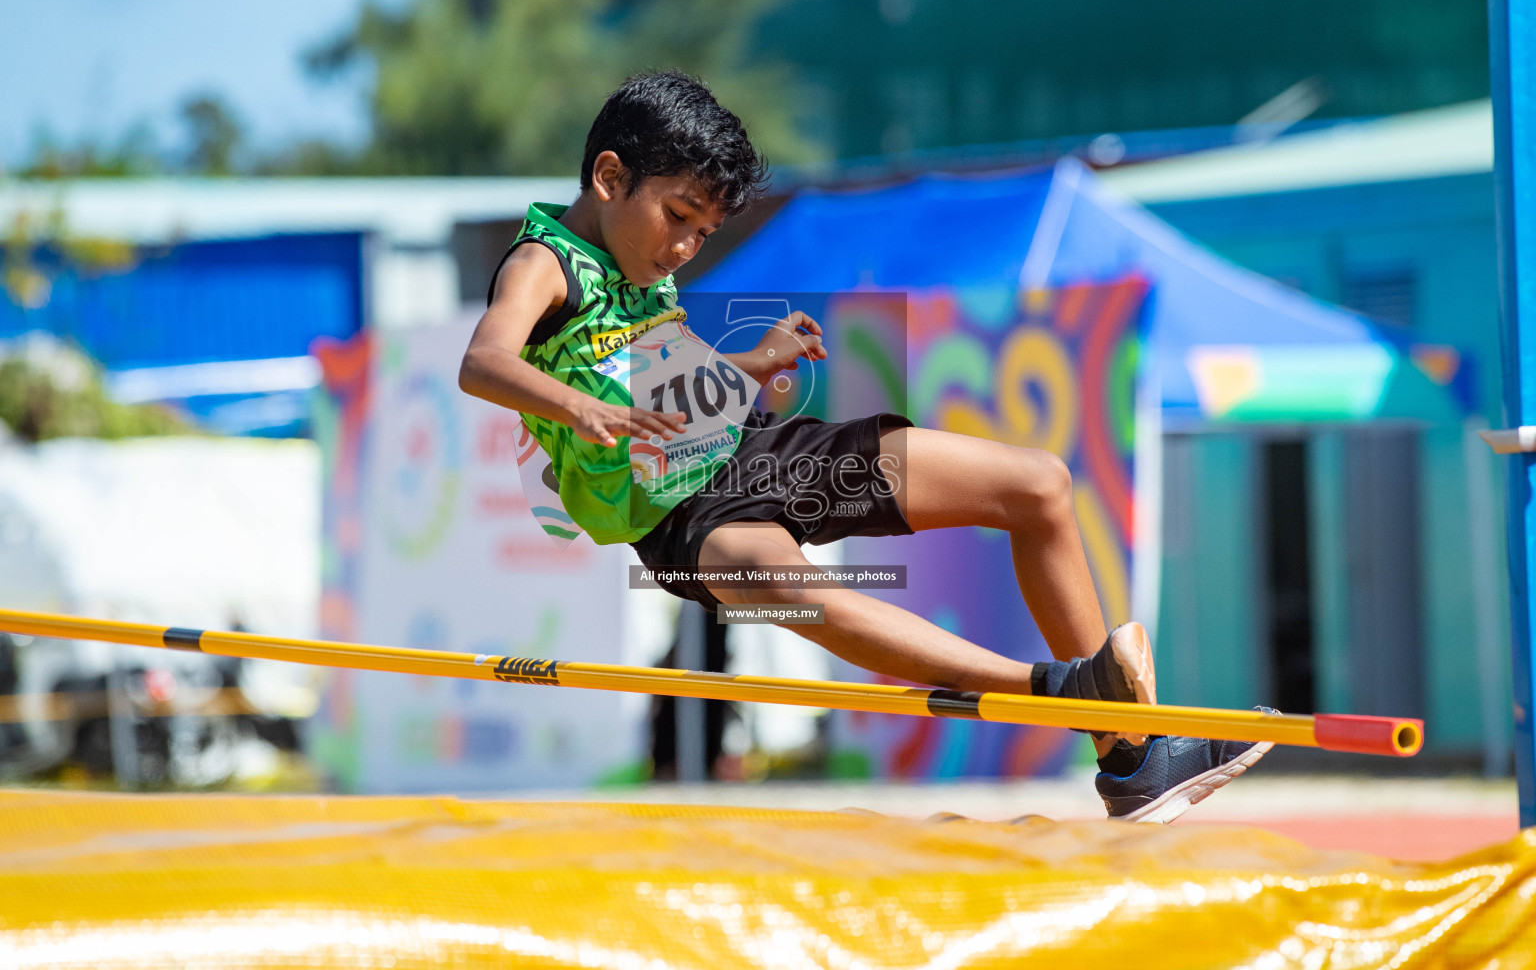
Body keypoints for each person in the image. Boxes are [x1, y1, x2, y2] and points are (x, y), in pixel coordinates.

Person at [459, 70, 1270, 823]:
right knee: (798, 589)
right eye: (677, 217)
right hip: (680, 522)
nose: (682, 248)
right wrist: (576, 410)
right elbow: (485, 361)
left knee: (1039, 484)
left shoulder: (646, 263)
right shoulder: (545, 264)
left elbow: (661, 381)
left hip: (756, 450)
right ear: (609, 178)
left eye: (702, 234)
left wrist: (751, 360)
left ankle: (1130, 765)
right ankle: (1070, 695)